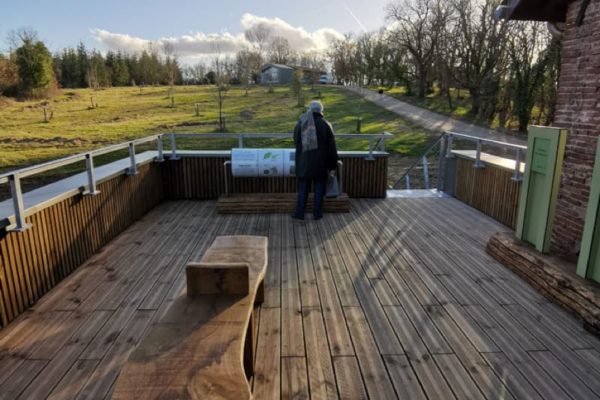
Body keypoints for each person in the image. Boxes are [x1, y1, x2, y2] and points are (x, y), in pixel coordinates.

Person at [292, 100, 339, 220]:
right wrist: (333, 165)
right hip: (320, 164)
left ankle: (299, 213)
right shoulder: (326, 124)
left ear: (310, 110)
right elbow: (332, 148)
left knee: (303, 189)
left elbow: (296, 142)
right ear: (320, 111)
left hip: (304, 163)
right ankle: (317, 214)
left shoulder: (302, 122)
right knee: (319, 189)